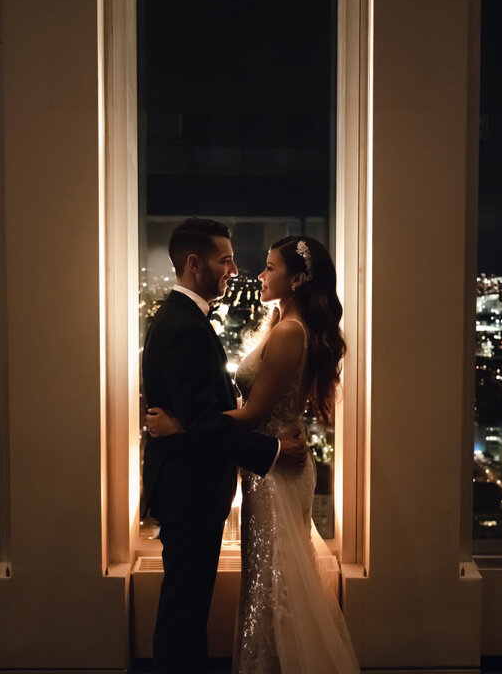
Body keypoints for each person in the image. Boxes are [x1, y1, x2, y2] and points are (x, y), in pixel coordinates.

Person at [146, 235, 361, 674]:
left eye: (269, 268)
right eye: (231, 261)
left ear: (298, 279)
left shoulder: (286, 332)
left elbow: (253, 412)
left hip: (276, 467)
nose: (256, 275)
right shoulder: (281, 325)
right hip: (267, 463)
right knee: (269, 580)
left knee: (274, 581)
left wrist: (180, 424)